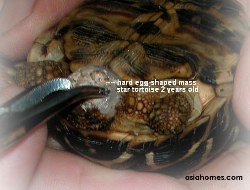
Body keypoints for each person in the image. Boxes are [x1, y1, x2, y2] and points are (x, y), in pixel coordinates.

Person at [0, 0, 249, 189]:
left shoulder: (157, 100)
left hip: (175, 80)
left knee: (169, 113)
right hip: (86, 47)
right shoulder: (61, 68)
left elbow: (178, 105)